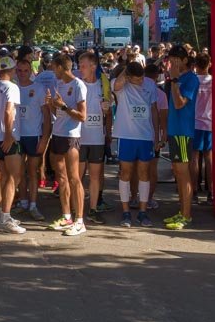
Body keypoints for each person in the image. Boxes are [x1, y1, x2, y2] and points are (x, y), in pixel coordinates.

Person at [112, 61, 160, 227]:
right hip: (126, 136)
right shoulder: (121, 84)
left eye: (142, 78)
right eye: (136, 79)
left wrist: (156, 133)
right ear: (128, 76)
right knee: (125, 173)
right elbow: (116, 85)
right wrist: (125, 72)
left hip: (145, 136)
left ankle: (143, 212)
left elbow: (154, 109)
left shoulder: (150, 84)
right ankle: (125, 213)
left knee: (144, 173)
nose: (140, 81)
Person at [45, 54, 88, 236]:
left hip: (71, 136)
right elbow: (58, 110)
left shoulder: (78, 85)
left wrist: (62, 106)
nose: (52, 71)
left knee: (74, 178)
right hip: (58, 133)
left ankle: (80, 221)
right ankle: (66, 216)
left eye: (54, 67)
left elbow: (82, 116)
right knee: (60, 177)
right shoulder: (60, 84)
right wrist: (51, 105)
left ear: (61, 67)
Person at [0, 56, 27, 235]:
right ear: (11, 71)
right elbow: (9, 111)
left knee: (3, 177)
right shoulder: (12, 87)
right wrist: (10, 135)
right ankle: (4, 216)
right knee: (14, 177)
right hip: (7, 137)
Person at [164, 45, 199, 230]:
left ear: (184, 60)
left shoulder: (190, 79)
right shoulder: (176, 79)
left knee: (184, 173)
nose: (172, 63)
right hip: (174, 131)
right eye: (170, 60)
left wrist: (175, 79)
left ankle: (187, 215)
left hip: (184, 132)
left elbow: (179, 104)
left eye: (175, 60)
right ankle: (181, 211)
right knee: (178, 172)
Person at [15, 55, 51, 221]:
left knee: (33, 171)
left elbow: (46, 115)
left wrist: (44, 138)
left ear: (31, 71)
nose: (22, 73)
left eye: (26, 70)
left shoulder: (39, 89)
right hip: (17, 136)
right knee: (19, 172)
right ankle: (22, 203)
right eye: (20, 70)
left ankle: (33, 205)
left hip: (33, 136)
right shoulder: (12, 88)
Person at [77, 50, 111, 223]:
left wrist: (106, 110)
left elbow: (109, 109)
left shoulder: (102, 84)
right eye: (79, 66)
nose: (80, 69)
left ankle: (93, 209)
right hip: (79, 137)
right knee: (78, 176)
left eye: (83, 66)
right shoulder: (77, 85)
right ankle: (77, 210)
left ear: (93, 66)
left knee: (95, 176)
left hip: (97, 137)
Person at [192, 53, 214, 205]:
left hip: (194, 123)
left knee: (194, 158)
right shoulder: (214, 81)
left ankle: (193, 190)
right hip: (211, 123)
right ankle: (211, 192)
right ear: (209, 64)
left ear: (195, 65)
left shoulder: (192, 81)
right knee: (209, 158)